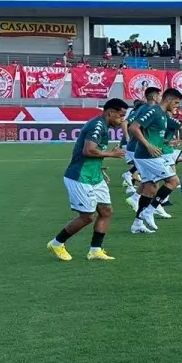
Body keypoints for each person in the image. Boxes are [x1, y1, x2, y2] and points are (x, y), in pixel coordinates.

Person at [48, 98, 129, 262]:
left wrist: (101, 168)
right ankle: (56, 243)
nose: (122, 120)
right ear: (110, 113)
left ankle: (95, 250)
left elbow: (95, 152)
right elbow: (88, 151)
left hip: (94, 176)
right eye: (120, 116)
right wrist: (112, 154)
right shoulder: (97, 125)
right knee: (87, 216)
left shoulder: (103, 126)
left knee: (106, 212)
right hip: (80, 177)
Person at [128, 88, 182, 233]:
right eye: (176, 103)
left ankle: (137, 223)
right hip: (146, 155)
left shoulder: (162, 115)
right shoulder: (154, 111)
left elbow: (154, 135)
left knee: (150, 188)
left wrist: (167, 143)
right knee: (174, 181)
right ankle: (149, 211)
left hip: (150, 154)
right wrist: (148, 146)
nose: (177, 106)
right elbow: (134, 128)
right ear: (168, 99)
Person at [121, 95, 153, 197]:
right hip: (131, 143)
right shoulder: (137, 113)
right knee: (141, 165)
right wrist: (126, 137)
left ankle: (130, 185)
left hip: (132, 143)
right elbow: (124, 123)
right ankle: (130, 180)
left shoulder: (137, 113)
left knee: (138, 165)